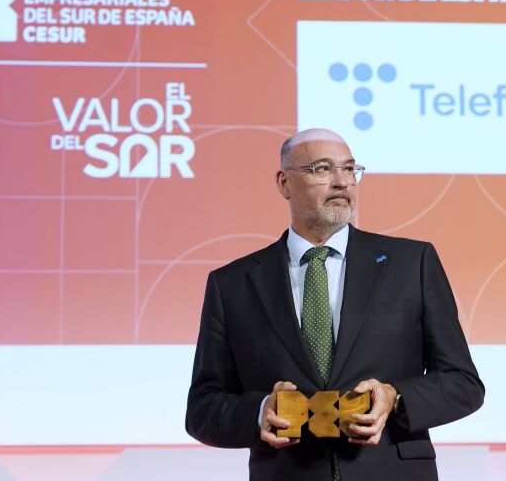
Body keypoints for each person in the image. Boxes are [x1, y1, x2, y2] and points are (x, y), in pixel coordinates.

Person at [186, 128, 484, 480]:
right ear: (284, 183)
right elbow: (202, 409)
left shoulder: (411, 262)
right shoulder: (232, 284)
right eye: (322, 169)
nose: (342, 182)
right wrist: (260, 410)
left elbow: (463, 383)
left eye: (350, 169)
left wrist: (395, 397)